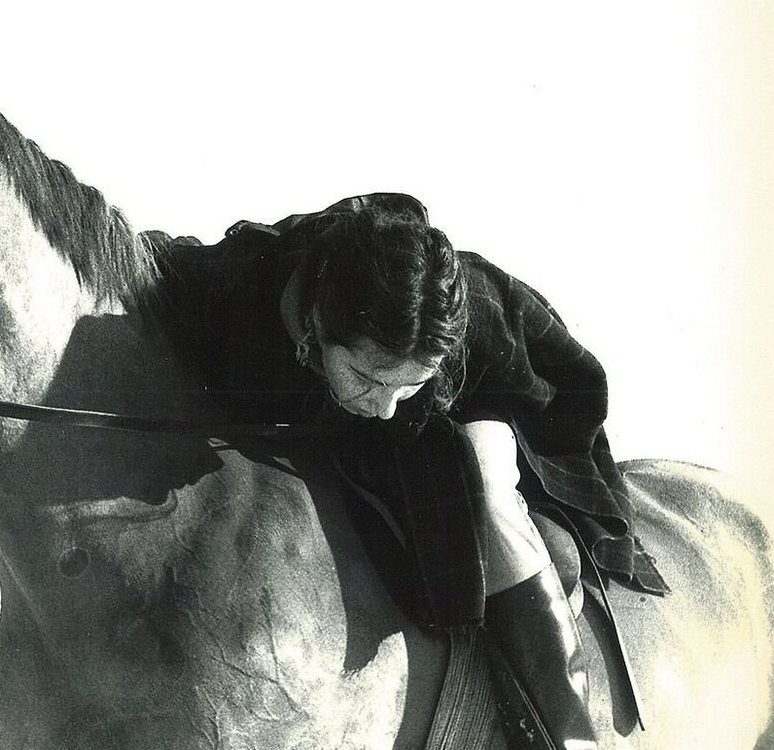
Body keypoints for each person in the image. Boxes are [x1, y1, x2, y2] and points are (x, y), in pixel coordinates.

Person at [163, 192, 668, 750]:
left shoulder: (472, 326)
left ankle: (571, 731)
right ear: (318, 324)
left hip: (495, 388)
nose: (383, 406)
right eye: (366, 376)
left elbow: (552, 394)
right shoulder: (249, 282)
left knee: (484, 484)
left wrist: (395, 388)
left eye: (404, 385)